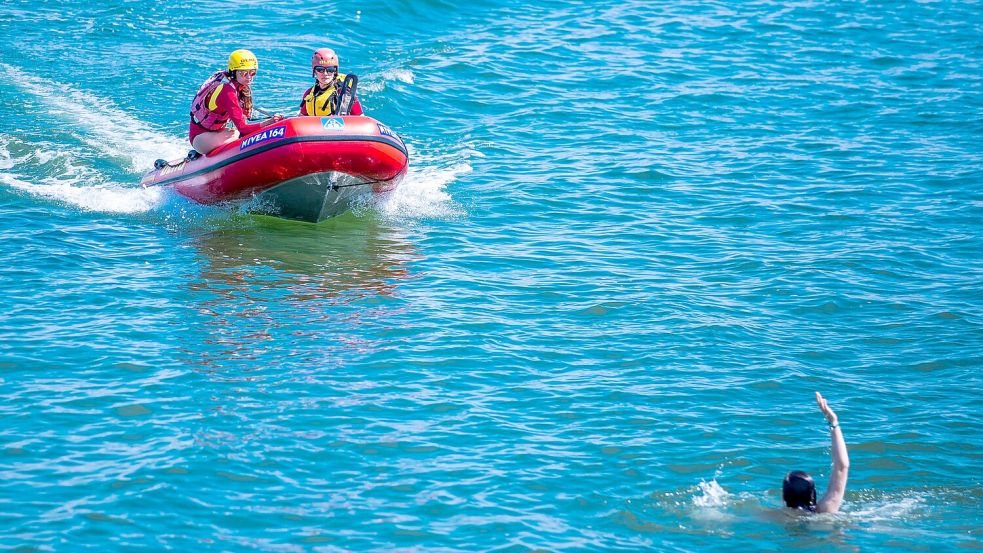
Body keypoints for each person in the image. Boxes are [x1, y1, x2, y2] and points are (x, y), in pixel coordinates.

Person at [188, 49, 283, 155]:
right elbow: (243, 129)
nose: (249, 77)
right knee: (236, 134)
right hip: (200, 137)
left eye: (252, 72)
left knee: (235, 132)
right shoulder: (227, 92)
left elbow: (244, 119)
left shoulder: (237, 85)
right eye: (243, 73)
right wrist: (268, 123)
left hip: (217, 132)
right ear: (233, 72)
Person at [782, 392, 850, 514]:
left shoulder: (774, 516)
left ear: (784, 496)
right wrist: (833, 422)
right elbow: (842, 467)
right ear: (812, 493)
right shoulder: (826, 509)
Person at [298, 48, 363, 117]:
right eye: (320, 69)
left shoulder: (344, 93)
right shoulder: (309, 94)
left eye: (330, 70)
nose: (325, 73)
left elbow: (361, 118)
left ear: (335, 71)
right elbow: (300, 117)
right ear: (314, 71)